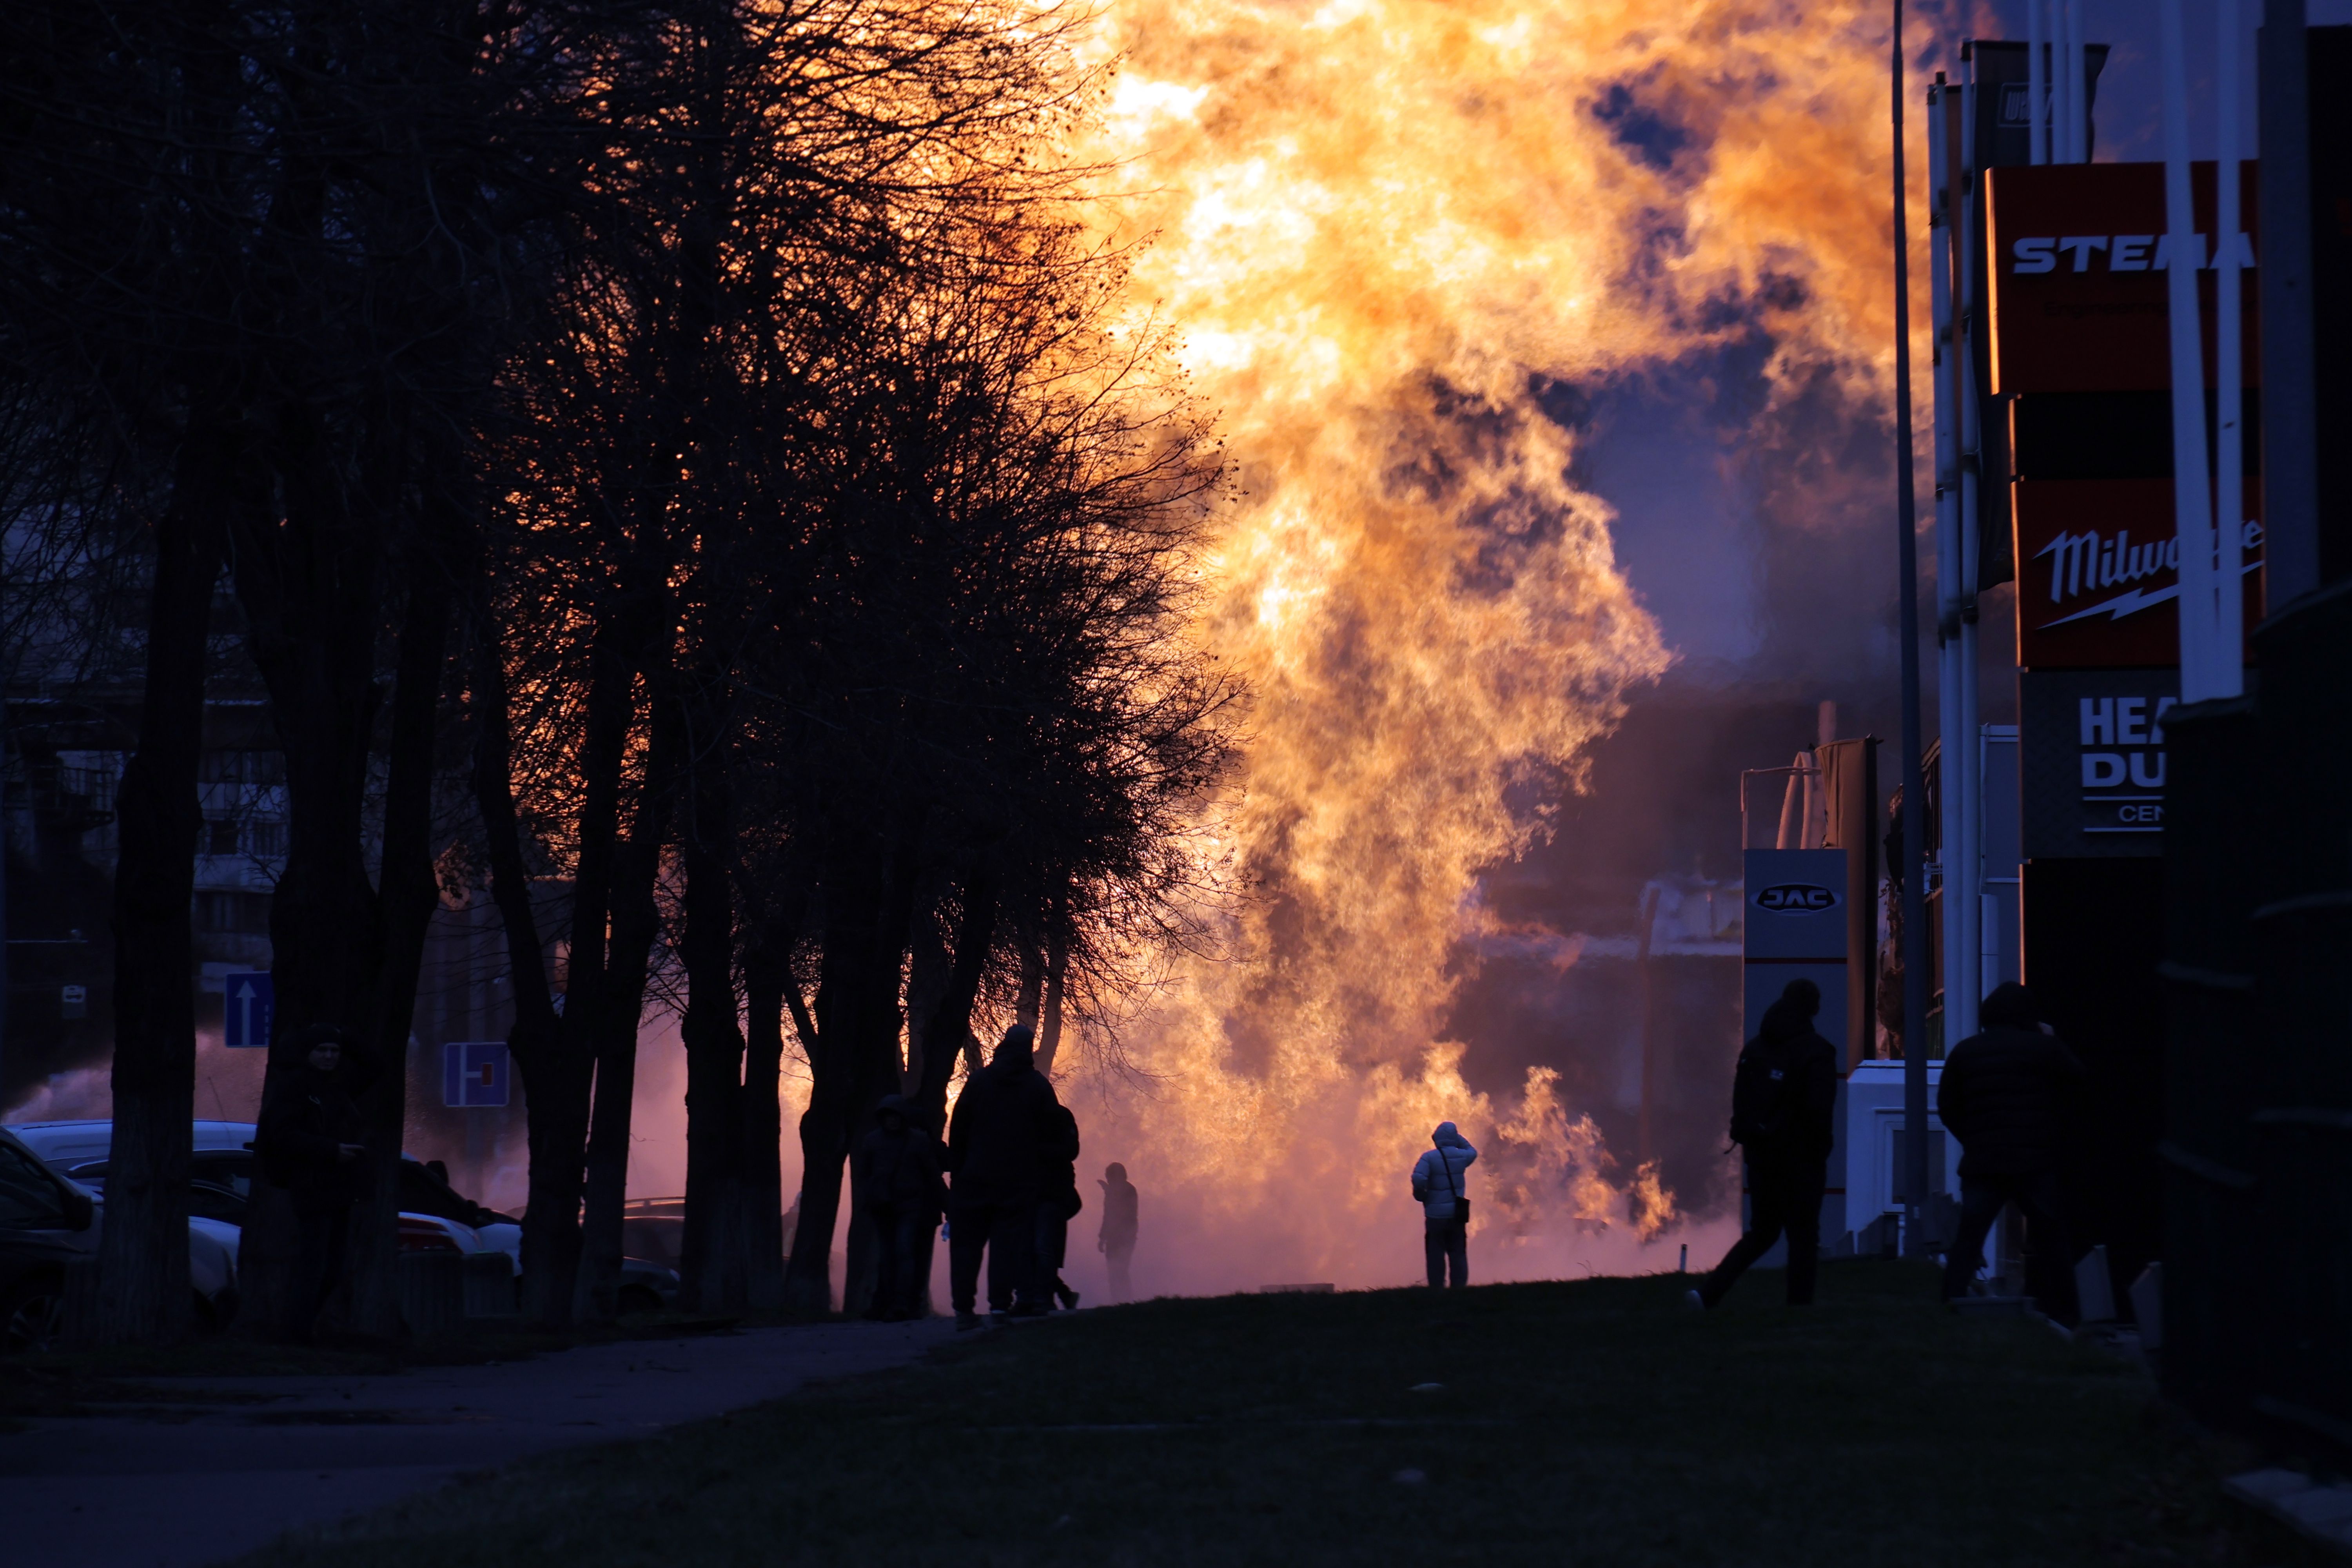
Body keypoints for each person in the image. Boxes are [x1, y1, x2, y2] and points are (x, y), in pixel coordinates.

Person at [1937, 982, 2086, 1324]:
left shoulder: (1965, 1052)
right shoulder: (2042, 1049)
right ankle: (2067, 1316)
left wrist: (1973, 1137)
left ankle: (1950, 1306)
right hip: (2034, 1161)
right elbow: (2078, 1081)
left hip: (1983, 1160)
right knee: (2051, 1239)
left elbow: (1947, 1106)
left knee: (1969, 1238)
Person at [1688, 978, 1838, 1310]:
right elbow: (1820, 1110)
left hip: (1761, 1156)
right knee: (1802, 1236)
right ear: (1813, 1008)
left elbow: (1741, 1102)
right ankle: (1798, 1307)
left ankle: (1708, 1294)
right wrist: (1819, 1150)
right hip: (1802, 1160)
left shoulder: (1755, 1048)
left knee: (1762, 1232)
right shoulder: (1818, 1052)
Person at [945, 1024, 1071, 1329]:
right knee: (1005, 1245)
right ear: (1028, 1050)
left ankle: (964, 1310)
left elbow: (958, 1131)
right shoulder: (1038, 1087)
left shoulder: (979, 1082)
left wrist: (958, 1173)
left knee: (966, 1247)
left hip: (974, 1178)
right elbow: (1054, 1134)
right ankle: (999, 1307)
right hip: (1017, 1182)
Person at [255, 1024, 375, 1341]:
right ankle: (297, 1334)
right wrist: (332, 1151)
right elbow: (282, 1136)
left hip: (341, 1186)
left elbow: (375, 1065)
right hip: (312, 1185)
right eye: (321, 1050)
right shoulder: (294, 1086)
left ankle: (306, 1330)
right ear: (307, 1053)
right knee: (314, 1266)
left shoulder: (338, 1086)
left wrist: (343, 1035)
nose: (329, 1056)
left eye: (334, 1051)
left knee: (333, 1268)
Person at [853, 1094, 948, 1321]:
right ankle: (890, 1303)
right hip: (884, 1207)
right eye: (888, 1117)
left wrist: (947, 1203)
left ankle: (901, 1304)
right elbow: (864, 1175)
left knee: (903, 1252)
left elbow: (932, 1175)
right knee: (889, 1255)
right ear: (882, 1118)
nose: (892, 1121)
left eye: (896, 1116)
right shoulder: (873, 1141)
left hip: (910, 1206)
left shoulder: (917, 1141)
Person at [1412, 1122, 1478, 1289]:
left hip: (1435, 1216)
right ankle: (1459, 1288)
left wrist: (1422, 1193)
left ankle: (1437, 1288)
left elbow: (1419, 1179)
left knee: (1435, 1254)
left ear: (1437, 1138)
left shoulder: (1429, 1157)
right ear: (1454, 1139)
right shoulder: (1462, 1157)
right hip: (1456, 1215)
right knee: (1458, 1254)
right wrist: (1457, 1138)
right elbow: (1473, 1151)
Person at [1034, 1102, 1083, 1310]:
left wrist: (1037, 1150)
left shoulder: (1059, 1116)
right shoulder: (1026, 1113)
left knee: (1044, 1249)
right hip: (1039, 1191)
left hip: (1051, 1192)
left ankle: (1045, 1300)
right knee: (1038, 1249)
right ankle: (1058, 1295)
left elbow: (1071, 1150)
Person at [1097, 1162, 1139, 1302]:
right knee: (1115, 1271)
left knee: (1120, 1270)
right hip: (1115, 1238)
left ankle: (1124, 1300)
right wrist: (1103, 1238)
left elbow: (1123, 1214)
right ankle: (1118, 1300)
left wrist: (1109, 1192)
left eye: (1109, 1177)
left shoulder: (1128, 1190)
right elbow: (1108, 1216)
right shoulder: (1117, 1191)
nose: (1108, 1180)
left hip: (1124, 1238)